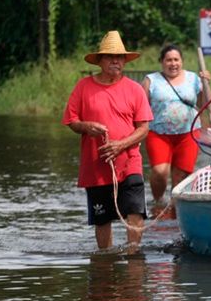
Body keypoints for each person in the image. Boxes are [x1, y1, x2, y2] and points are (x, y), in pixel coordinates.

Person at [62, 30, 153, 250]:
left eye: (120, 57)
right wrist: (86, 127)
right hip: (97, 163)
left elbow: (144, 128)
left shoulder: (135, 90)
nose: (116, 61)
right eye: (111, 56)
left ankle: (132, 254)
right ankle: (106, 259)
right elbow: (71, 120)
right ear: (100, 60)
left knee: (135, 210)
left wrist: (121, 144)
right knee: (102, 218)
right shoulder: (83, 86)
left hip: (130, 161)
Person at [141, 44, 211, 206]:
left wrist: (206, 83)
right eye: (168, 60)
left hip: (188, 133)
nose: (173, 64)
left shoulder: (194, 78)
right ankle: (158, 203)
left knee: (182, 176)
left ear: (182, 61)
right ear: (161, 62)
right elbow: (140, 107)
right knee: (160, 172)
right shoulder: (150, 80)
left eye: (176, 60)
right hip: (158, 133)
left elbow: (204, 104)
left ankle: (176, 207)